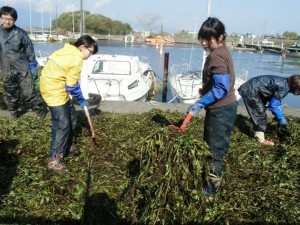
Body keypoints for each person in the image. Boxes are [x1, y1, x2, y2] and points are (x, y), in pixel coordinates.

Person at [183, 17, 237, 195]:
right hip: (224, 107)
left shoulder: (217, 55)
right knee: (215, 144)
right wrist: (205, 90)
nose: (204, 43)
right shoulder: (221, 51)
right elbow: (217, 83)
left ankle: (211, 188)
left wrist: (200, 103)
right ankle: (214, 178)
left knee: (214, 149)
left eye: (209, 39)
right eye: (202, 38)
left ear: (220, 37)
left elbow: (221, 88)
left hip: (221, 109)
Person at [39, 35, 98, 173]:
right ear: (82, 47)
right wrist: (81, 99)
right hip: (53, 90)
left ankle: (67, 145)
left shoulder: (68, 49)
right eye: (90, 52)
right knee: (62, 124)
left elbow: (68, 82)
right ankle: (54, 160)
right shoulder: (77, 58)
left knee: (71, 116)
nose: (90, 56)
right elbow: (71, 85)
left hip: (58, 88)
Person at [0, 6, 47, 119]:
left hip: (23, 70)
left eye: (10, 19)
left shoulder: (20, 33)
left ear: (14, 20)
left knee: (29, 94)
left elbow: (29, 51)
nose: (7, 21)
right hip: (6, 69)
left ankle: (41, 113)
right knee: (10, 94)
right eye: (5, 18)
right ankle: (13, 113)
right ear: (1, 18)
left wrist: (32, 67)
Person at [238, 75, 300, 145]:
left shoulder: (284, 82)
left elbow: (276, 101)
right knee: (260, 114)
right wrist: (281, 118)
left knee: (257, 112)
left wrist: (279, 111)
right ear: (296, 88)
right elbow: (273, 105)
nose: (298, 94)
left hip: (252, 88)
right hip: (250, 90)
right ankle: (261, 140)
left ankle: (252, 133)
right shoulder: (284, 88)